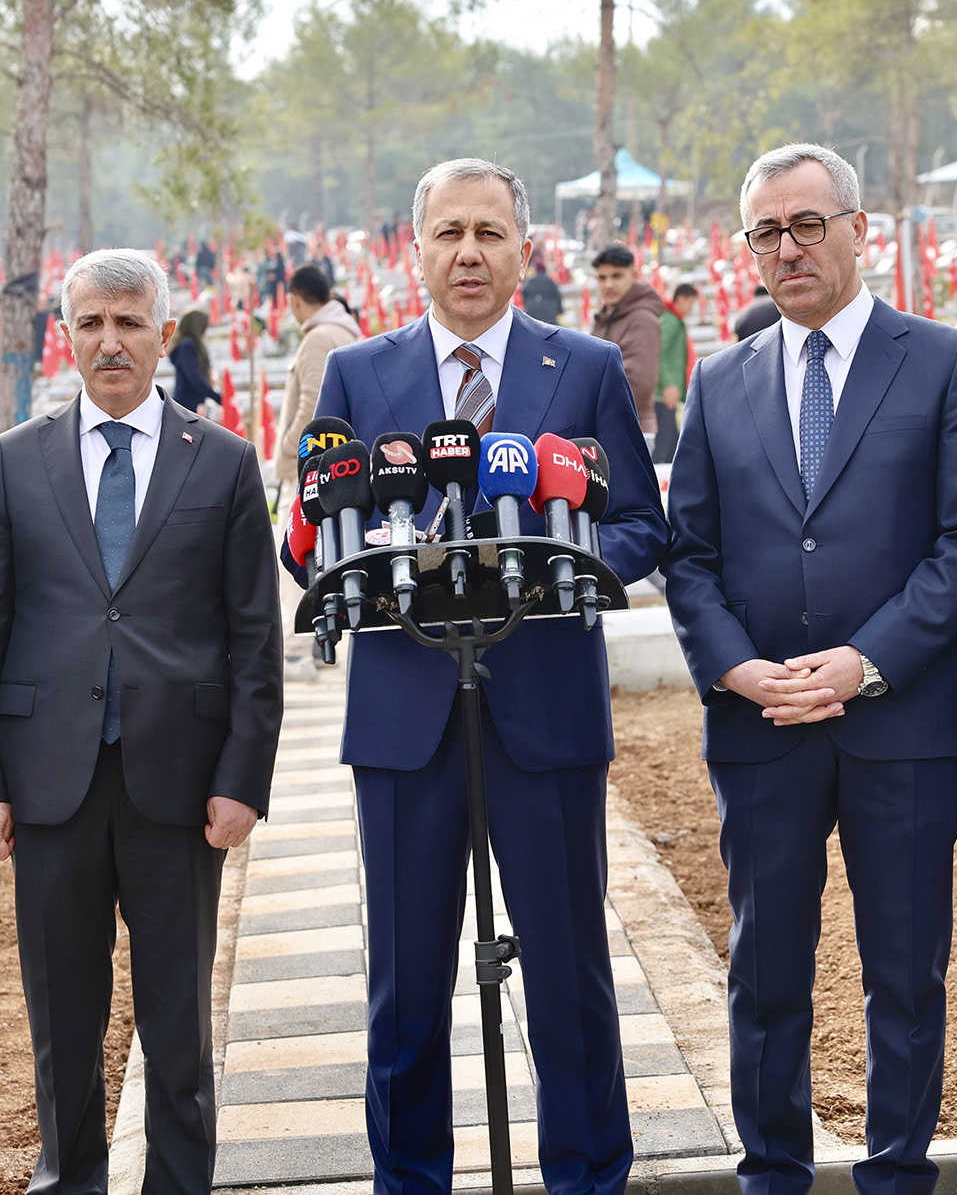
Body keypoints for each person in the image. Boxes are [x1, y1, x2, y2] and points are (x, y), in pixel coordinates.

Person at [307, 158, 667, 1195]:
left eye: (489, 233)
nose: (468, 252)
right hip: (402, 720)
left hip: (545, 715)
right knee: (405, 992)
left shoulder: (588, 366)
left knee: (568, 981)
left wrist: (569, 556)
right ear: (412, 248)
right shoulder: (357, 374)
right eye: (447, 232)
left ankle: (587, 1176)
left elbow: (641, 525)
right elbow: (310, 537)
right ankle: (409, 1180)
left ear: (523, 248)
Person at [665, 143, 957, 1195]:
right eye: (765, 231)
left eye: (807, 223)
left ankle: (895, 1169)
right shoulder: (719, 379)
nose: (787, 247)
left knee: (904, 968)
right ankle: (771, 1167)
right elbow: (690, 553)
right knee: (765, 969)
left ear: (861, 229)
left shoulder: (944, 360)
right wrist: (733, 668)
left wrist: (866, 661)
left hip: (900, 721)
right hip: (761, 725)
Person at [0, 248, 283, 1195]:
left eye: (129, 322)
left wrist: (241, 779)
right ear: (66, 334)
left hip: (179, 786)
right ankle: (70, 1180)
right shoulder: (15, 462)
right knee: (62, 1017)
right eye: (91, 323)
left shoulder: (222, 463)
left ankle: (180, 1183)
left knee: (177, 1017)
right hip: (47, 783)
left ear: (164, 334)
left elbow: (253, 637)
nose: (111, 341)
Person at [272, 263, 360, 489]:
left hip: (309, 468)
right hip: (334, 463)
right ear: (328, 295)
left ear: (294, 300)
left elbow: (312, 404)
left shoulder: (318, 338)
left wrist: (289, 446)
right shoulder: (346, 331)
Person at [589, 244, 663, 438]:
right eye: (602, 278)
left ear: (635, 275)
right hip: (606, 429)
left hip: (633, 431)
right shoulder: (605, 317)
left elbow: (639, 383)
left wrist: (586, 402)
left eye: (617, 276)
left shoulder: (642, 319)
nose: (609, 285)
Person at [655, 283, 695, 462]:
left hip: (667, 393)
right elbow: (657, 352)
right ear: (681, 299)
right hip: (664, 394)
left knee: (672, 445)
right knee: (664, 445)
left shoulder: (673, 320)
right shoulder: (670, 321)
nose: (691, 308)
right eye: (691, 303)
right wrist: (669, 384)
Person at [167, 306, 220, 414]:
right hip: (185, 403)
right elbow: (195, 377)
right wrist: (219, 398)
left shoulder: (191, 345)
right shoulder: (186, 346)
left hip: (189, 402)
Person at [522, 254, 563, 323]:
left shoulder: (530, 281)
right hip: (549, 311)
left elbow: (524, 294)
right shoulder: (549, 281)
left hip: (532, 311)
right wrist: (560, 311)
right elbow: (557, 296)